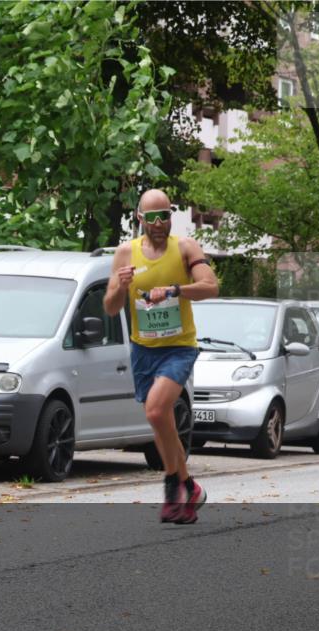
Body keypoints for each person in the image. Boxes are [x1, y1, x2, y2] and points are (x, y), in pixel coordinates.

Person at [103, 188, 219, 523]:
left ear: (171, 216)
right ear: (140, 218)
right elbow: (110, 308)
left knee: (156, 411)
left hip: (179, 347)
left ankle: (171, 488)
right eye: (152, 217)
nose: (158, 223)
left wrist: (174, 290)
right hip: (143, 349)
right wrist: (119, 286)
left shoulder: (185, 248)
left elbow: (211, 287)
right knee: (160, 419)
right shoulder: (125, 253)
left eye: (164, 216)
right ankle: (189, 487)